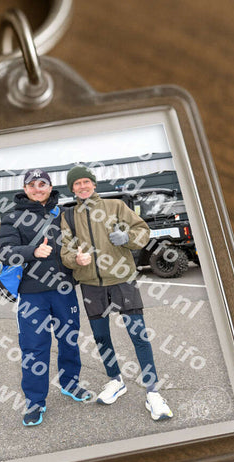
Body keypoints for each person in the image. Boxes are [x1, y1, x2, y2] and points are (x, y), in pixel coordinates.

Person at [60, 165, 173, 420]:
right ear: (72, 188)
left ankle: (153, 392)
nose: (82, 186)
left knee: (138, 335)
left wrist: (127, 238)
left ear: (94, 184)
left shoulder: (116, 206)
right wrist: (75, 259)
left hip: (122, 280)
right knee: (101, 337)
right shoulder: (68, 216)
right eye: (77, 183)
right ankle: (115, 380)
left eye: (86, 181)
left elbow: (142, 231)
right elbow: (65, 249)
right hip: (90, 284)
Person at [0, 168, 91, 427]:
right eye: (32, 185)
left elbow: (80, 242)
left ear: (50, 187)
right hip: (31, 295)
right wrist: (32, 251)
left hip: (64, 291)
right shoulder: (12, 216)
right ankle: (35, 401)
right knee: (34, 348)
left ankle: (70, 384)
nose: (37, 189)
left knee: (69, 341)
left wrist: (81, 258)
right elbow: (4, 252)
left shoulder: (65, 213)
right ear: (25, 189)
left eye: (42, 184)